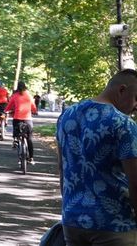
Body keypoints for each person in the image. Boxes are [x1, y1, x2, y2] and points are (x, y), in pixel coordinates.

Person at [57, 69, 137, 246]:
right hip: (114, 225)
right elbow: (135, 182)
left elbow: (62, 169)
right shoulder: (123, 124)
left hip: (72, 220)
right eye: (136, 98)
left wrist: (68, 208)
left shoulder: (67, 116)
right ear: (122, 90)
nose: (136, 105)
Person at [4, 81, 38, 163]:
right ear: (25, 87)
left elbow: (9, 105)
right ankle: (31, 158)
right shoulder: (29, 95)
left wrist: (6, 110)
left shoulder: (15, 96)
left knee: (16, 129)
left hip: (17, 118)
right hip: (27, 119)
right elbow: (33, 106)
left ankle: (15, 140)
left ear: (17, 88)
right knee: (29, 139)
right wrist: (35, 111)